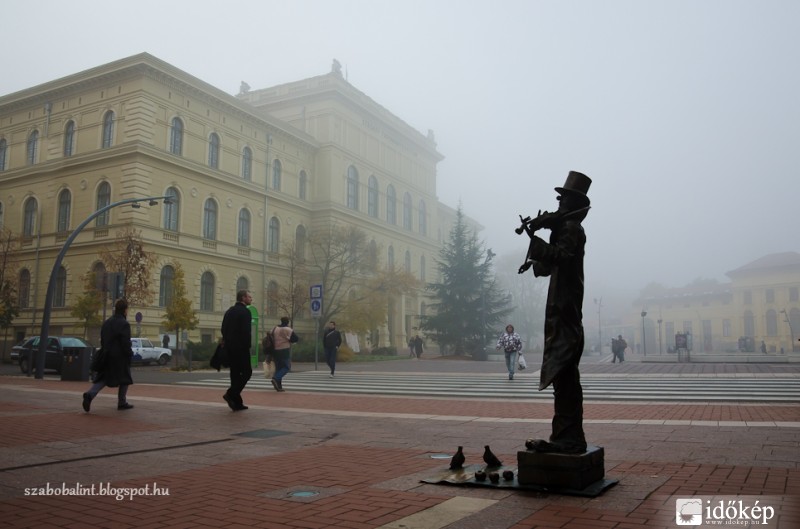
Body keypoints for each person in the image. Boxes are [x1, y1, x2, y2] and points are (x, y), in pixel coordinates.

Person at [519, 170, 591, 454]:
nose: (558, 203)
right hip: (563, 310)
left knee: (565, 377)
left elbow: (563, 256)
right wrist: (538, 258)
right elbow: (551, 264)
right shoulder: (566, 227)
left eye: (563, 199)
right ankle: (565, 436)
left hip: (565, 311)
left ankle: (569, 439)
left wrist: (537, 244)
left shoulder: (572, 228)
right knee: (564, 378)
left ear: (573, 202)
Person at [82, 298, 134, 412]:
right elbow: (125, 342)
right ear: (125, 310)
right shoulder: (124, 324)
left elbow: (103, 339)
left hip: (106, 354)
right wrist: (129, 353)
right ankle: (122, 402)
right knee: (125, 378)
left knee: (104, 378)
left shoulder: (107, 322)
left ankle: (90, 394)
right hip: (120, 357)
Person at [220, 289, 253, 411]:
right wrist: (247, 345)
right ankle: (231, 393)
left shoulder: (229, 311)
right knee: (247, 372)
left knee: (234, 374)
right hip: (241, 348)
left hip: (230, 347)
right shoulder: (245, 312)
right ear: (243, 298)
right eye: (249, 297)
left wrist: (227, 340)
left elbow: (223, 328)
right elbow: (246, 331)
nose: (251, 299)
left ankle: (237, 403)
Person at [270, 316, 298, 392]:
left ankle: (279, 386)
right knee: (286, 367)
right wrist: (288, 339)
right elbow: (295, 339)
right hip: (284, 350)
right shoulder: (288, 329)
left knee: (278, 368)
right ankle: (276, 378)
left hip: (275, 351)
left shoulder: (274, 329)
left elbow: (270, 336)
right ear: (288, 322)